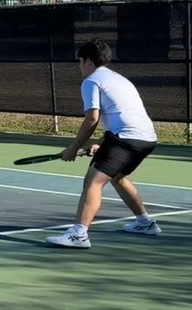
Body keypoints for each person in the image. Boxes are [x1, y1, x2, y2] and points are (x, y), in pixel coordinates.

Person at [45, 39, 160, 249]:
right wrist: (100, 142)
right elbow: (121, 117)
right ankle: (145, 223)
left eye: (80, 61)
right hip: (147, 138)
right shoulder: (119, 80)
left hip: (126, 139)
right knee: (118, 177)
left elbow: (92, 119)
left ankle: (79, 234)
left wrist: (72, 148)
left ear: (88, 61)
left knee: (93, 181)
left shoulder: (91, 81)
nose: (80, 67)